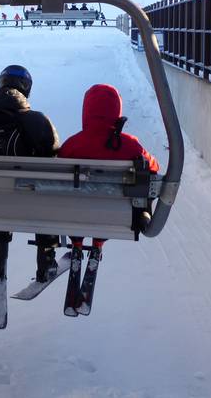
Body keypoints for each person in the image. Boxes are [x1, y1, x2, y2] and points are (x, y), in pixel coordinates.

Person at [57, 84, 161, 299]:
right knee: (109, 208)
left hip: (74, 213)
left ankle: (77, 243)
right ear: (116, 111)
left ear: (86, 111)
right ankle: (98, 244)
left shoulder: (72, 145)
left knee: (76, 204)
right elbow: (153, 167)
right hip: (115, 217)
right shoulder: (129, 145)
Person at [0, 65, 61, 281]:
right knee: (48, 193)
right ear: (26, 88)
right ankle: (46, 259)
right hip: (32, 201)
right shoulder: (37, 120)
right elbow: (54, 154)